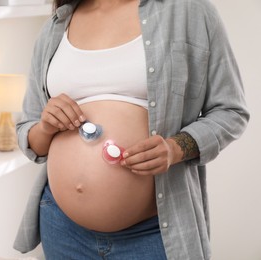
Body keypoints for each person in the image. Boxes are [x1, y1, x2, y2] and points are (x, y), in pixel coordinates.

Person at [13, 0, 249, 259]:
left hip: (153, 233)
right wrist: (46, 127)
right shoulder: (56, 25)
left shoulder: (190, 11)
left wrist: (175, 148)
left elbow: (231, 111)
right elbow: (31, 136)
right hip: (62, 228)